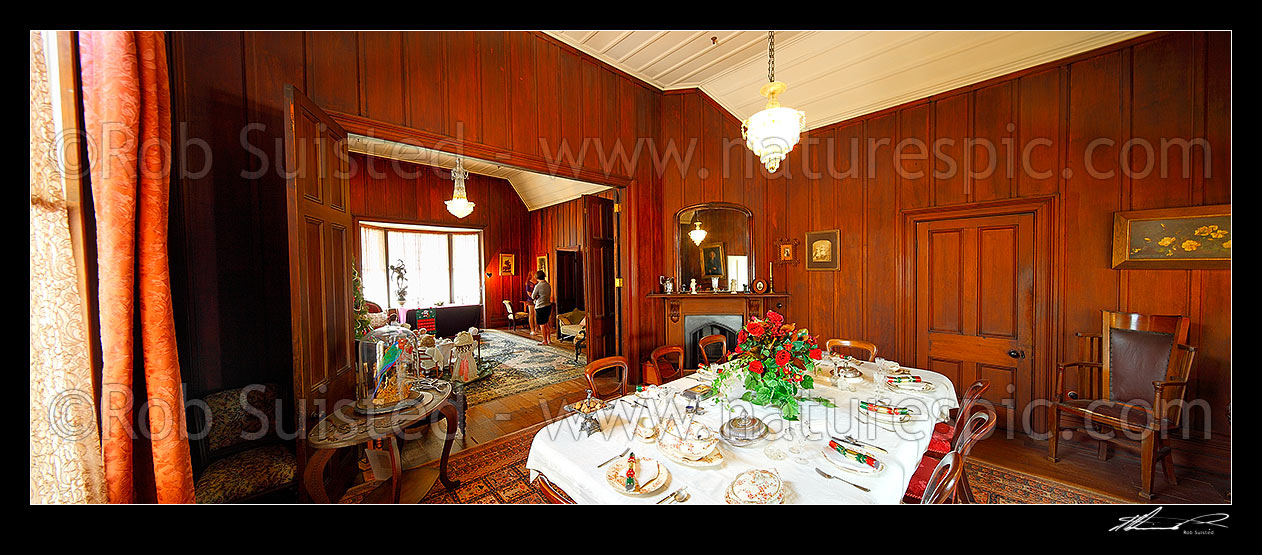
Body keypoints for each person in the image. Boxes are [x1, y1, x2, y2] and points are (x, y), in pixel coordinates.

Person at [531, 270, 553, 346]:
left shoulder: (538, 285)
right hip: (548, 306)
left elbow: (533, 296)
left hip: (540, 306)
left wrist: (536, 297)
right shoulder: (548, 284)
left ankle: (544, 340)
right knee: (546, 323)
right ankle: (549, 339)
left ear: (537, 277)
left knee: (542, 325)